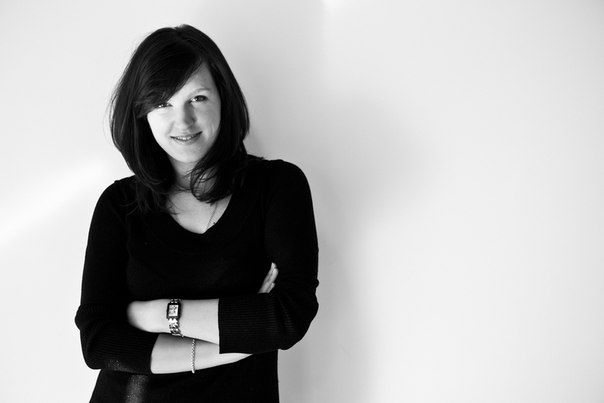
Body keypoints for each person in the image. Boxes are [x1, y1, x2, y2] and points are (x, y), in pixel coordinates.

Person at [75, 24, 319, 402]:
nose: (183, 121)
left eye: (198, 97)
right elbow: (99, 343)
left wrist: (158, 315)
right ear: (142, 113)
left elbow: (289, 316)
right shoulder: (119, 205)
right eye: (163, 103)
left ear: (223, 98)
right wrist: (236, 345)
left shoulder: (277, 187)